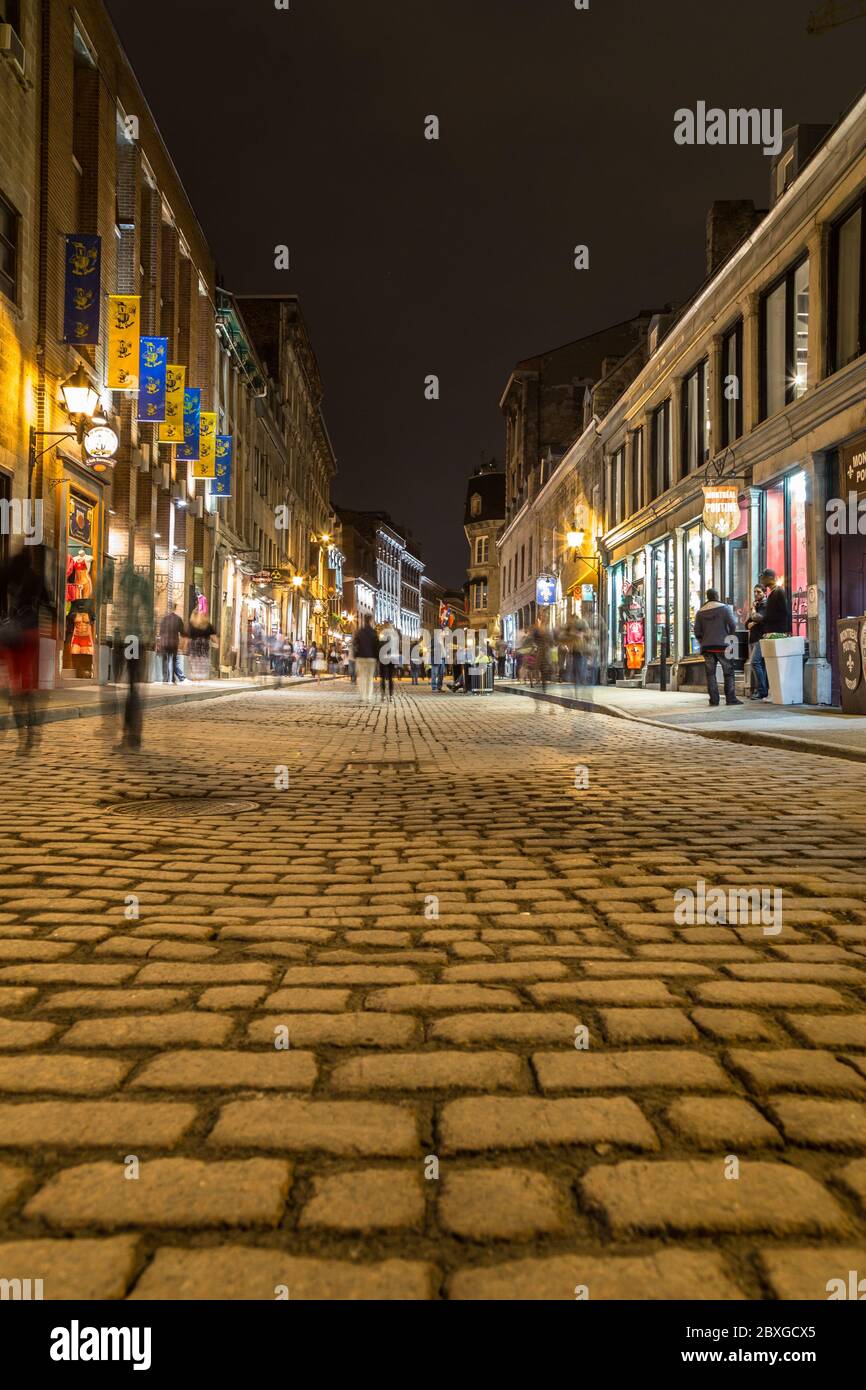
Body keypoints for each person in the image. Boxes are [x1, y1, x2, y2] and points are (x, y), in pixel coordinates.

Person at [0, 546, 53, 754]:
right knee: (25, 684)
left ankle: (24, 738)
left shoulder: (9, 573)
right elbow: (49, 603)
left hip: (11, 634)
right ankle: (30, 735)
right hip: (30, 633)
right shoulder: (36, 579)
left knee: (15, 685)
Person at [693, 588, 742, 708]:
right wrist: (730, 638)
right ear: (717, 595)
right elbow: (732, 624)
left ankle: (714, 700)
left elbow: (697, 631)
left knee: (710, 674)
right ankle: (731, 698)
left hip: (707, 647)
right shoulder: (724, 608)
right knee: (729, 672)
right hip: (723, 645)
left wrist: (702, 640)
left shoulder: (700, 612)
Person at [750, 568, 790, 701]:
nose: (761, 580)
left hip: (775, 632)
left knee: (760, 662)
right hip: (770, 633)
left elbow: (783, 612)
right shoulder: (774, 592)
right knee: (769, 663)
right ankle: (770, 692)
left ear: (769, 578)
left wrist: (761, 618)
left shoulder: (778, 592)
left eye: (763, 578)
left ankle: (766, 692)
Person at [745, 584, 766, 697]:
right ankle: (760, 690)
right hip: (753, 638)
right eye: (755, 592)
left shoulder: (765, 604)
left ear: (764, 592)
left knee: (755, 662)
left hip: (760, 638)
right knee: (759, 665)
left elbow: (758, 618)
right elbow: (747, 623)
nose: (756, 594)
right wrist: (751, 623)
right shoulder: (757, 605)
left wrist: (753, 612)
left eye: (759, 592)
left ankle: (762, 690)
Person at [188, 599, 215, 681]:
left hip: (194, 646)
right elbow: (214, 636)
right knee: (202, 662)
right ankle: (200, 679)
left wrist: (184, 645)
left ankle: (195, 678)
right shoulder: (207, 625)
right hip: (203, 646)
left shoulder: (192, 624)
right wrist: (216, 643)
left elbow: (188, 636)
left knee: (194, 661)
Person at [158, 605, 185, 684]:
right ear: (175, 608)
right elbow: (182, 632)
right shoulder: (178, 619)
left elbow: (160, 632)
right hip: (174, 643)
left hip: (165, 642)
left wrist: (159, 643)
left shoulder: (164, 619)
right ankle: (173, 679)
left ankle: (165, 679)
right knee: (173, 660)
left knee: (165, 660)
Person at [353, 615, 378, 701]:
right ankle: (368, 696)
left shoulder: (359, 632)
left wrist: (355, 655)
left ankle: (363, 696)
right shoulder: (374, 632)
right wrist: (376, 657)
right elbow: (376, 647)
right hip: (371, 658)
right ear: (370, 620)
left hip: (361, 657)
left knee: (362, 677)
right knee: (369, 677)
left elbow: (355, 644)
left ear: (364, 620)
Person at [378, 622, 398, 701]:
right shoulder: (394, 635)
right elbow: (396, 648)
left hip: (383, 657)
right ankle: (391, 696)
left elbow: (379, 646)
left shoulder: (382, 634)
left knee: (382, 678)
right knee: (390, 678)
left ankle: (383, 695)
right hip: (392, 658)